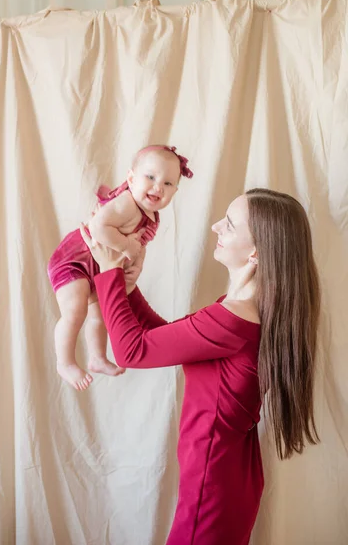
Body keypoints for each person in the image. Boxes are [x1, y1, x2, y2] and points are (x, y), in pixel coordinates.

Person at [80, 188, 321, 545]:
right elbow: (167, 339)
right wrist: (127, 289)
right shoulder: (239, 309)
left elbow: (131, 351)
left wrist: (109, 272)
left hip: (214, 481)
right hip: (228, 473)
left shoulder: (235, 318)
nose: (214, 226)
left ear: (255, 252)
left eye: (229, 224)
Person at [47, 145, 193, 391]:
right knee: (75, 310)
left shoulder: (151, 215)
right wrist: (126, 246)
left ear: (175, 191)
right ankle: (65, 362)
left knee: (101, 315)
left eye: (168, 184)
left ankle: (97, 357)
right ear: (131, 178)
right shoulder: (127, 204)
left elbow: (141, 244)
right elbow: (97, 228)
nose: (158, 187)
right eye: (150, 177)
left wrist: (136, 268)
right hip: (73, 260)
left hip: (98, 267)